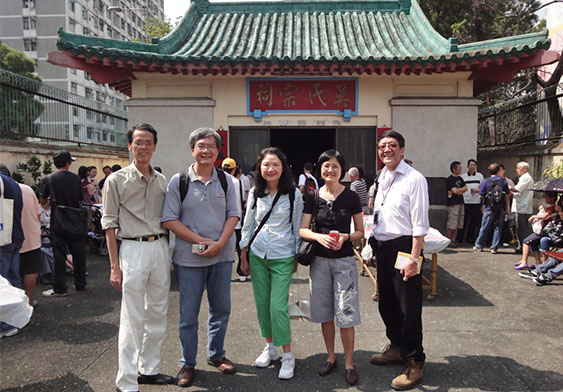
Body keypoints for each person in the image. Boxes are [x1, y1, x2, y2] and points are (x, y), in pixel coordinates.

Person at [161, 128, 239, 387]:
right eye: (200, 146)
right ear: (192, 150)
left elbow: (233, 216)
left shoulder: (229, 181)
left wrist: (219, 244)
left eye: (211, 147)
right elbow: (169, 219)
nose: (206, 151)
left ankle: (217, 354)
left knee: (221, 309)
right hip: (189, 259)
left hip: (222, 256)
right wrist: (201, 241)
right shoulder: (178, 181)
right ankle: (187, 362)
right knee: (188, 314)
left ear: (218, 152)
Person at [101, 124, 174, 392]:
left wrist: (170, 254)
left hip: (159, 247)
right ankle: (127, 380)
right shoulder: (115, 181)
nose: (143, 147)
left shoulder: (162, 180)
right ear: (129, 146)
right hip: (132, 248)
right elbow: (108, 225)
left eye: (148, 142)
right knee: (132, 317)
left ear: (155, 147)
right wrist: (114, 267)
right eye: (138, 142)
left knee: (157, 311)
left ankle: (149, 369)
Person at [368, 130, 429, 391]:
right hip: (382, 247)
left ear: (402, 150)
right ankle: (396, 347)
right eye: (382, 146)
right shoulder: (382, 176)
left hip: (404, 249)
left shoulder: (414, 179)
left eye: (392, 145)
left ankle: (415, 361)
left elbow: (419, 225)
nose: (386, 150)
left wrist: (414, 258)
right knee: (387, 304)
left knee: (409, 308)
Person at [299, 150, 364, 386]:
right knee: (325, 312)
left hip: (345, 261)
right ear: (320, 169)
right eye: (326, 166)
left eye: (335, 166)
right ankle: (330, 357)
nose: (330, 170)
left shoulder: (351, 196)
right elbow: (303, 230)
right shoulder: (312, 197)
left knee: (346, 313)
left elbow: (360, 231)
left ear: (342, 170)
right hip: (319, 261)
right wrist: (318, 237)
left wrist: (346, 237)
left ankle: (349, 363)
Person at [240, 147, 303, 380]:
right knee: (262, 305)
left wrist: (296, 255)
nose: (271, 169)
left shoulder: (293, 194)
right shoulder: (255, 192)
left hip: (283, 255)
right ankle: (270, 347)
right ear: (260, 168)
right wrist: (243, 254)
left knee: (278, 307)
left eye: (275, 164)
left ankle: (288, 355)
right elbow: (248, 224)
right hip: (257, 255)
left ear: (283, 167)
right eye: (266, 165)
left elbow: (297, 226)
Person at [39, 150, 87, 297]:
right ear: (68, 163)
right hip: (76, 220)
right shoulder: (76, 179)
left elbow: (42, 200)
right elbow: (79, 198)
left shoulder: (48, 179)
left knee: (59, 255)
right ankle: (80, 283)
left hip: (58, 221)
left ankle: (59, 288)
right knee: (79, 254)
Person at [0, 168, 24, 338]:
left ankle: (4, 324)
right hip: (14, 234)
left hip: (3, 238)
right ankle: (15, 318)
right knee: (13, 277)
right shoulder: (14, 184)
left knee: (2, 282)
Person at [514, 192, 559, 269]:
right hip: (545, 230)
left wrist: (533, 216)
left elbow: (545, 216)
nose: (545, 198)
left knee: (526, 241)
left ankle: (524, 261)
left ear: (552, 198)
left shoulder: (552, 208)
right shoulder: (552, 208)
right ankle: (538, 262)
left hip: (544, 231)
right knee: (533, 243)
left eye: (546, 197)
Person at [472, 163, 510, 254]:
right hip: (500, 207)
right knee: (498, 227)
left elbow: (481, 195)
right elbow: (507, 196)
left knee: (484, 226)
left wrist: (482, 205)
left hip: (488, 207)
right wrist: (507, 208)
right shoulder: (503, 181)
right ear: (498, 170)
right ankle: (494, 247)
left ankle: (479, 245)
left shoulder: (485, 181)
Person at [222, 158, 247, 282]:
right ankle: (242, 272)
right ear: (234, 170)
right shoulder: (237, 182)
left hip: (221, 221)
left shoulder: (218, 180)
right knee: (239, 246)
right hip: (236, 219)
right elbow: (240, 200)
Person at [510, 162, 534, 250]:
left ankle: (524, 247)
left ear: (525, 169)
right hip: (521, 206)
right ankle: (522, 246)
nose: (517, 170)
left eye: (518, 168)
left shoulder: (526, 178)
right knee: (519, 227)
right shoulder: (523, 178)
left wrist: (507, 186)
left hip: (523, 207)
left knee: (522, 228)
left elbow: (516, 189)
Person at [459, 159, 484, 244]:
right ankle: (461, 237)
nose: (472, 167)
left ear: (476, 166)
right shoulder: (463, 176)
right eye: (471, 165)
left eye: (474, 165)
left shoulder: (480, 176)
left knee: (474, 221)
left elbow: (483, 188)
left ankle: (471, 238)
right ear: (467, 166)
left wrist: (477, 190)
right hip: (465, 201)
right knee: (464, 220)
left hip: (476, 201)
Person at [446, 161, 467, 245]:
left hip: (461, 202)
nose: (461, 169)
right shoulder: (450, 179)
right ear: (454, 169)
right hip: (453, 203)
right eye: (459, 168)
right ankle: (449, 240)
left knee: (459, 222)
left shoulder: (460, 179)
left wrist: (459, 191)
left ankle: (454, 240)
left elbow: (465, 188)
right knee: (452, 222)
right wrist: (459, 191)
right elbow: (454, 191)